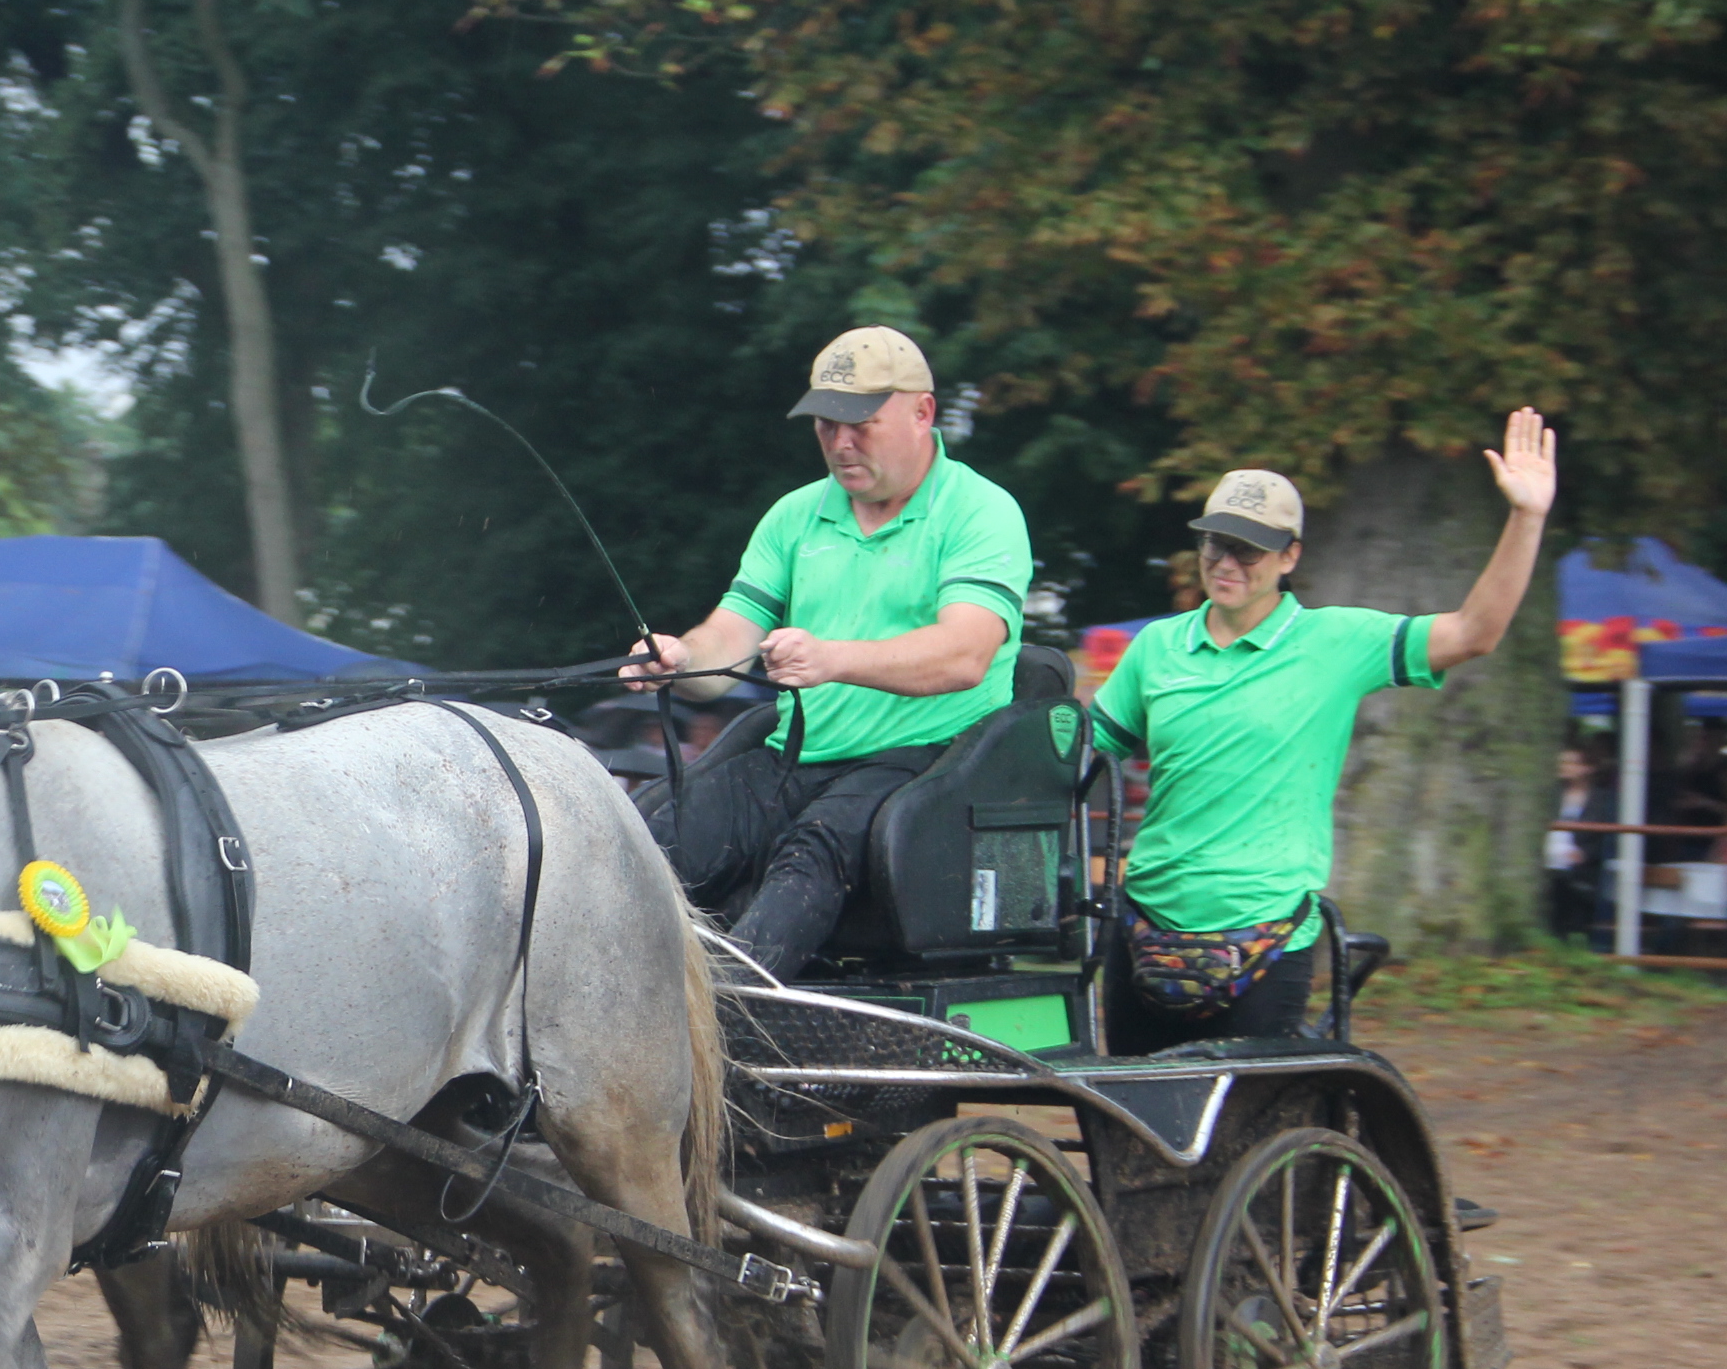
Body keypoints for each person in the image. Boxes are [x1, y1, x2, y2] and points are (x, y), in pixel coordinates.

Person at [1090, 411, 1557, 1050]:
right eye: (1215, 542)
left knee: (1241, 1138)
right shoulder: (1157, 648)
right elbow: (1081, 757)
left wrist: (1526, 517)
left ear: (1290, 556)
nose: (1227, 562)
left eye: (1248, 548)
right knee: (1124, 1127)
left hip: (1266, 934)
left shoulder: (1335, 641)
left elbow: (1476, 632)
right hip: (1143, 928)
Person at [623, 327, 1035, 976]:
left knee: (812, 852)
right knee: (643, 845)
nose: (840, 444)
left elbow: (965, 655)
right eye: (824, 426)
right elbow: (729, 638)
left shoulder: (981, 512)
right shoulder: (793, 516)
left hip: (926, 769)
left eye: (860, 424)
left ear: (922, 412)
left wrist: (833, 660)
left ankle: (731, 1022)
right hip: (796, 759)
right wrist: (679, 660)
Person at [1545, 741, 1615, 942]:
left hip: (1583, 867)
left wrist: (1585, 854)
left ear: (1588, 768)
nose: (1564, 766)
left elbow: (1607, 838)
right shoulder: (1550, 796)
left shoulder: (1603, 799)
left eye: (1571, 762)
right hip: (1550, 861)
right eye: (1562, 762)